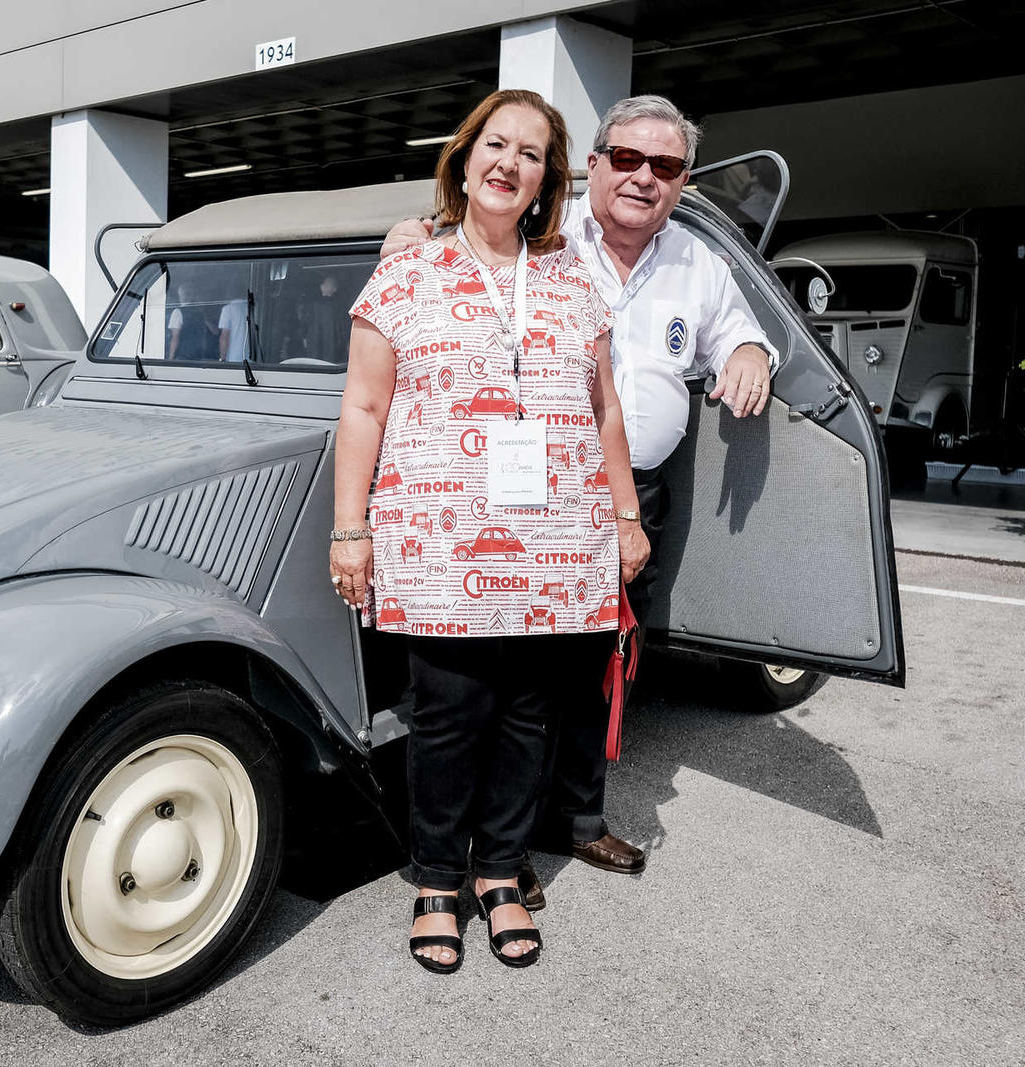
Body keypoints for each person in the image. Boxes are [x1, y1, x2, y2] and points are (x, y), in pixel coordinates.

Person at [382, 94, 777, 883]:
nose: (642, 178)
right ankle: (504, 847)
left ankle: (577, 819)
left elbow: (739, 325)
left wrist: (751, 351)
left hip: (631, 494)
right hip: (529, 495)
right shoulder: (549, 233)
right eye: (626, 159)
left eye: (664, 166)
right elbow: (465, 240)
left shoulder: (700, 262)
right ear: (592, 164)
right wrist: (412, 229)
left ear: (682, 180)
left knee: (601, 662)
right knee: (512, 680)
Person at [332, 88, 647, 974]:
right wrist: (347, 529)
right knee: (449, 716)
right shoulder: (406, 271)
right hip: (438, 542)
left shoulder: (570, 281)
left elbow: (606, 410)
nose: (511, 163)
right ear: (466, 159)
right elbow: (362, 405)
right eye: (496, 145)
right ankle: (437, 879)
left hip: (557, 542)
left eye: (533, 152)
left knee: (529, 717)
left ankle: (500, 872)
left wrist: (625, 516)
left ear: (549, 179)